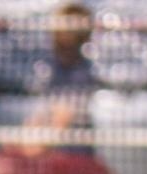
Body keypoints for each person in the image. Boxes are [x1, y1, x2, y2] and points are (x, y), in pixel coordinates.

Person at [23, 2, 97, 156]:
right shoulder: (49, 68)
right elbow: (38, 116)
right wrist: (24, 140)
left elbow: (62, 120)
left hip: (73, 157)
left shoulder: (81, 75)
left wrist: (32, 150)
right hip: (46, 153)